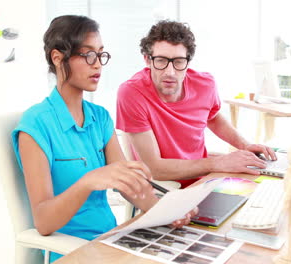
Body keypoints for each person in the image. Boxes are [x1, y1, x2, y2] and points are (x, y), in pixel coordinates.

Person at [11, 15, 197, 263]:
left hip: (111, 242)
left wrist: (167, 212)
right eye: (88, 55)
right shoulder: (36, 125)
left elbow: (129, 185)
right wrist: (88, 181)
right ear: (57, 58)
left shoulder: (100, 118)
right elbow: (43, 222)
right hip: (69, 252)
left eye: (100, 55)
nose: (97, 64)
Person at [116, 20, 277, 188]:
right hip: (164, 185)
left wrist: (245, 145)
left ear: (188, 61)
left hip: (203, 178)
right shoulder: (131, 93)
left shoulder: (205, 84)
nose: (170, 72)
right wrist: (215, 163)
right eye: (161, 61)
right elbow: (155, 168)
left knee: (260, 197)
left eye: (178, 62)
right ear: (147, 60)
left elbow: (213, 118)